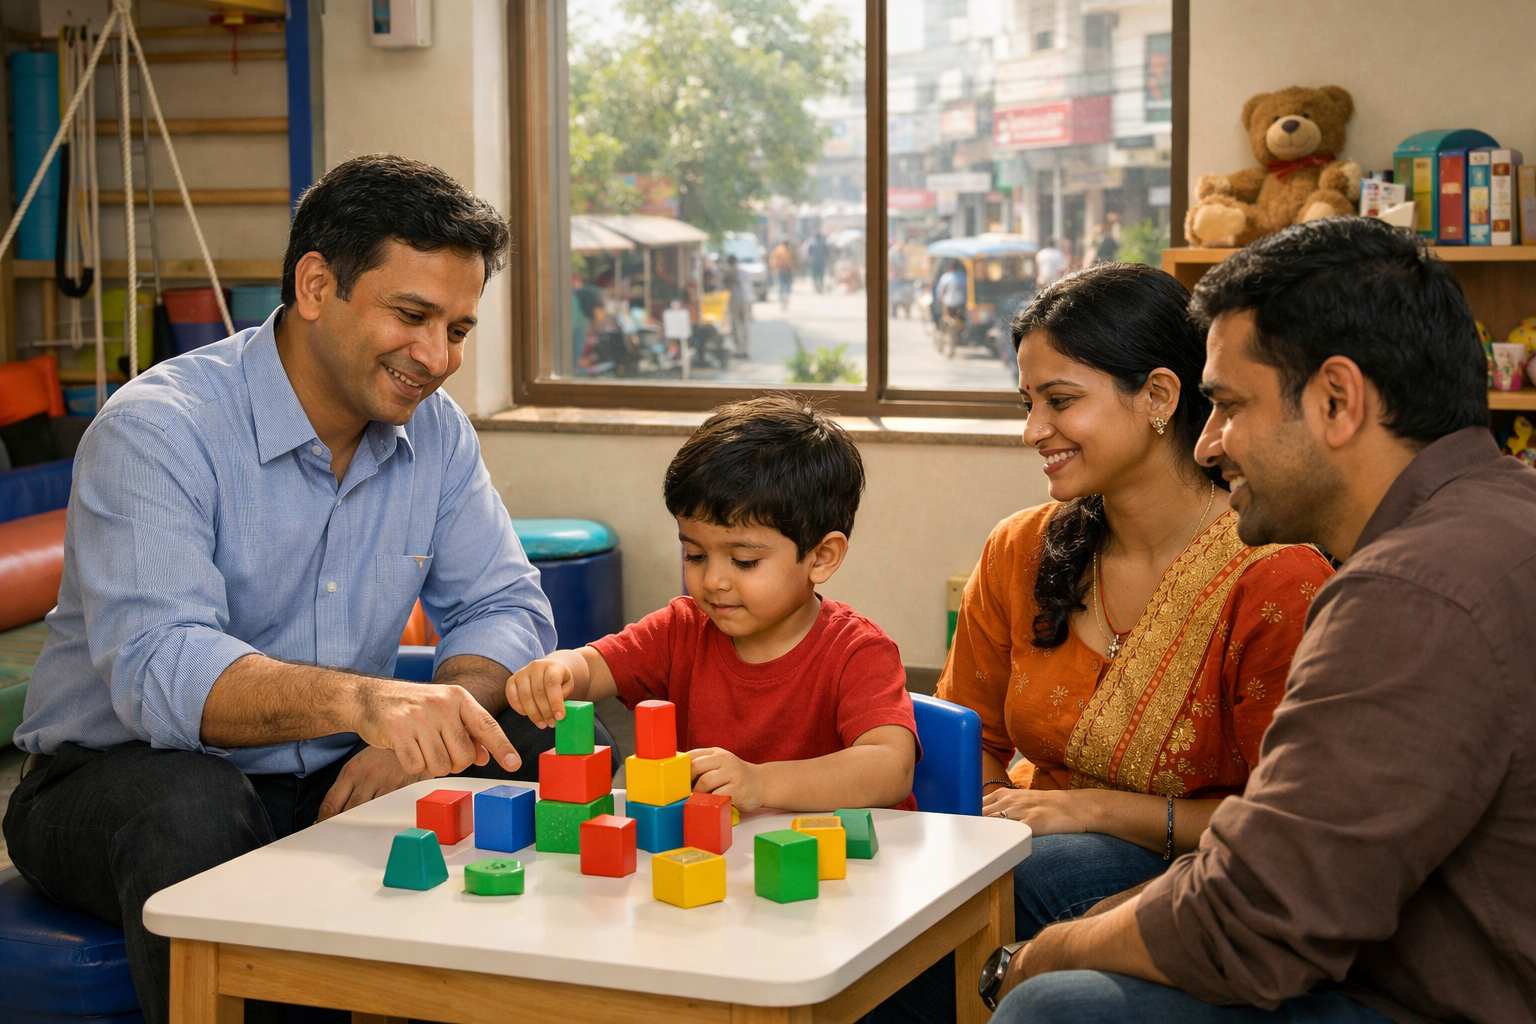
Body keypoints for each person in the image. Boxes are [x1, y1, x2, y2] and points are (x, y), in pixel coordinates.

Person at [1, 154, 595, 1024]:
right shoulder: (158, 429)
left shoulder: (436, 433)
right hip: (116, 778)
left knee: (557, 734)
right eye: (412, 316)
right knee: (194, 808)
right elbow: (163, 669)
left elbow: (503, 607)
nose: (438, 358)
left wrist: (426, 737)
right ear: (317, 285)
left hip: (334, 766)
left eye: (458, 329)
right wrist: (368, 703)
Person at [989, 218, 1536, 1022]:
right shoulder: (1501, 508)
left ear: (1337, 401)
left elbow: (1259, 920)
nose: (1209, 443)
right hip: (1374, 925)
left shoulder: (1405, 593)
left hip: (1428, 994)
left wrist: (1037, 958)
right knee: (1039, 879)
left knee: (1054, 1007)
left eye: (1229, 406)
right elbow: (1279, 853)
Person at [869, 262, 1331, 1022]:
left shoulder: (1276, 577)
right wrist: (977, 824)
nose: (1033, 431)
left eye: (1060, 401)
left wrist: (1094, 810)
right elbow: (968, 737)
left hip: (1202, 876)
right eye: (1027, 404)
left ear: (1159, 396)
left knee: (1021, 877)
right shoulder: (1021, 548)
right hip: (1033, 833)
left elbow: (1288, 831)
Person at [507, 395, 918, 813]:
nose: (713, 581)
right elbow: (595, 667)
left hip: (838, 854)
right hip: (715, 850)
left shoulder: (857, 651)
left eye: (744, 561)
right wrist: (560, 670)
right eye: (695, 555)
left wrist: (761, 782)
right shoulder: (681, 628)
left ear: (821, 557)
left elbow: (890, 767)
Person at [723, 254, 752, 357]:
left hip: (735, 300)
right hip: (746, 299)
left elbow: (726, 285)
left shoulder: (730, 271)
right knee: (744, 325)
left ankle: (739, 349)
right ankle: (745, 349)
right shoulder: (744, 271)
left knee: (736, 325)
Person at [769, 239, 795, 310]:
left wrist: (774, 268)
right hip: (783, 269)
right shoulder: (784, 250)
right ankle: (784, 297)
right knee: (784, 284)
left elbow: (773, 260)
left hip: (783, 269)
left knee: (783, 284)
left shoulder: (779, 249)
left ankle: (783, 298)